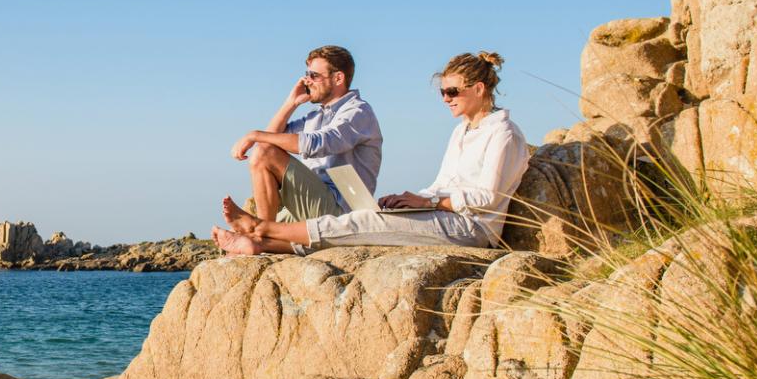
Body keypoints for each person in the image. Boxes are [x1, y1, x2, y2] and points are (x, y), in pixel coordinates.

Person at [214, 51, 529, 253]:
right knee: (371, 220)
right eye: (442, 92)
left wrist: (429, 202)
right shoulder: (462, 131)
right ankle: (262, 243)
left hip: (471, 227)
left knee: (363, 225)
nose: (445, 98)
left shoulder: (503, 132)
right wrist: (413, 198)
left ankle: (261, 231)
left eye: (452, 91)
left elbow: (486, 197)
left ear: (479, 89)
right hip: (446, 213)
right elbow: (443, 183)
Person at [230, 45, 383, 225]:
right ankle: (260, 233)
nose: (307, 81)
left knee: (264, 154)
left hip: (343, 213)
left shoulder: (358, 112)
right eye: (307, 74)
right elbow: (273, 137)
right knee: (246, 232)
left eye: (314, 76)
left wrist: (254, 135)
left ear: (338, 78)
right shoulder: (316, 116)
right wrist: (291, 103)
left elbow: (317, 144)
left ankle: (264, 233)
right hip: (316, 203)